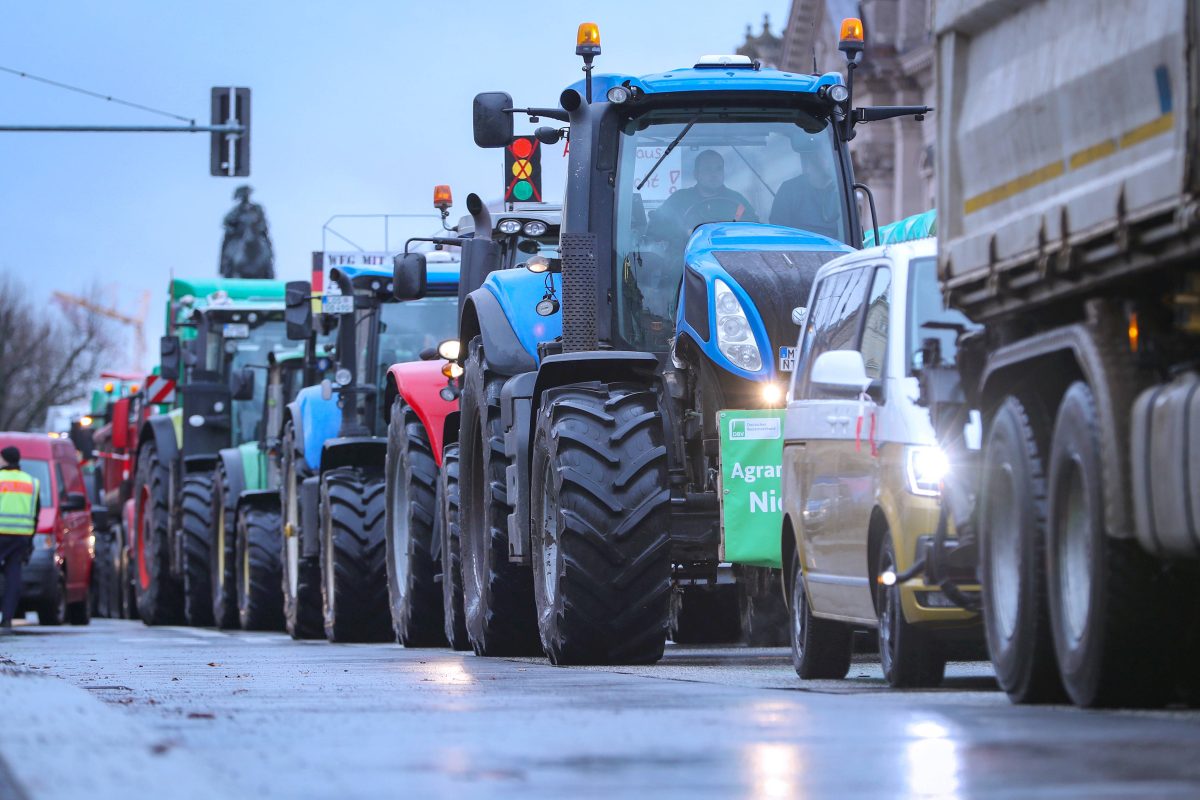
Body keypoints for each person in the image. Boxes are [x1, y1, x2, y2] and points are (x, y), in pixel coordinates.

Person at [652, 150, 758, 238]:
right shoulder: (678, 200)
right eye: (708, 169)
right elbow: (656, 230)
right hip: (683, 258)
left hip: (728, 258)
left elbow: (754, 231)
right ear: (696, 174)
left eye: (718, 169)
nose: (714, 174)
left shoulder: (738, 202)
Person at [0, 446, 39, 634]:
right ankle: (7, 618)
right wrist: (30, 541)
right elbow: (36, 514)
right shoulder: (32, 482)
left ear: (4, 459)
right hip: (21, 537)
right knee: (13, 577)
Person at [768, 145, 844, 240]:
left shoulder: (842, 191)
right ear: (814, 156)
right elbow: (778, 234)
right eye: (827, 154)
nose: (833, 160)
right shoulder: (790, 190)